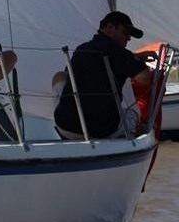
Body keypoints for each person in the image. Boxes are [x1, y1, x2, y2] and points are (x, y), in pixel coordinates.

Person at [53, 11, 152, 139]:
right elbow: (144, 77)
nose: (128, 38)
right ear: (109, 27)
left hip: (66, 127)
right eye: (125, 32)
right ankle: (134, 134)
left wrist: (131, 58)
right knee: (133, 113)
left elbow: (70, 75)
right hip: (103, 130)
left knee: (59, 76)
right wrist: (132, 62)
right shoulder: (118, 52)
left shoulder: (81, 49)